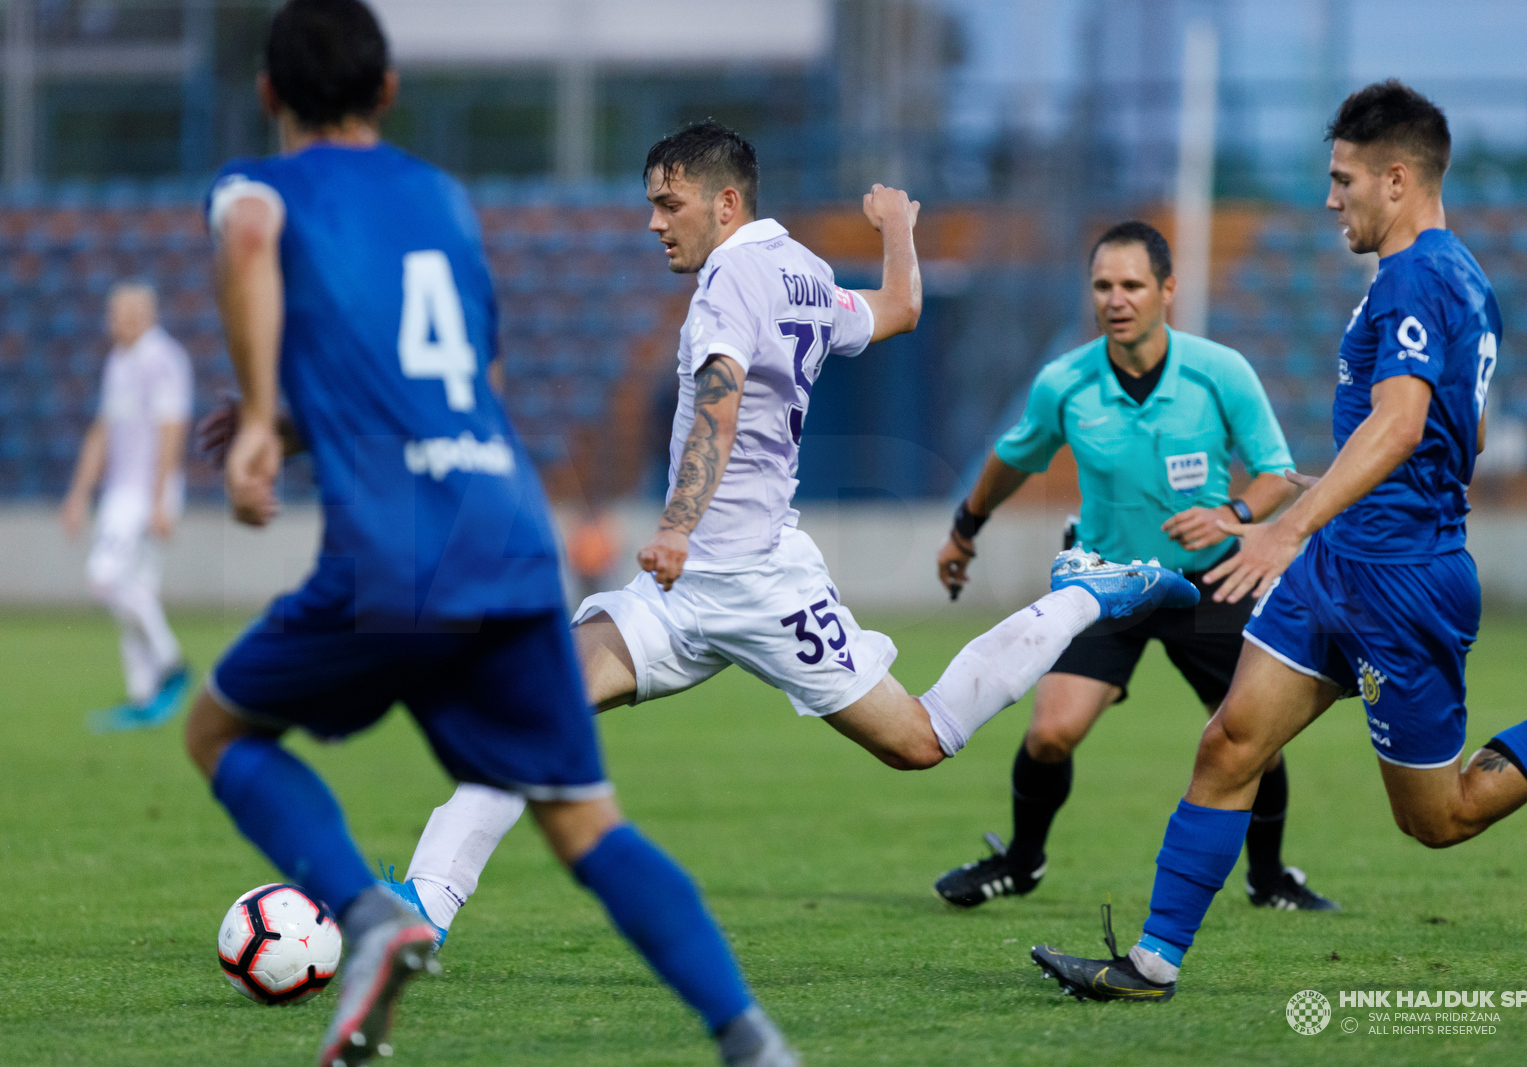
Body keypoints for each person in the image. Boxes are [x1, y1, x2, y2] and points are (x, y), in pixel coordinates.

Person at [374, 120, 1200, 947]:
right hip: (686, 591)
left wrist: (674, 525)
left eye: (669, 203)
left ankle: (1082, 595)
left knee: (920, 739)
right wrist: (900, 231)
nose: (655, 223)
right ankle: (426, 905)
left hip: (757, 585)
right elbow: (901, 307)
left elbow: (720, 400)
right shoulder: (801, 271)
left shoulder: (732, 278)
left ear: (725, 202)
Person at [182, 4, 801, 1065]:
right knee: (584, 821)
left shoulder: (261, 186)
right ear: (386, 91)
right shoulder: (444, 202)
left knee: (221, 732)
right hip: (511, 538)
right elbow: (470, 381)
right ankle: (750, 1038)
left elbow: (246, 236)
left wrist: (253, 423)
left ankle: (372, 916)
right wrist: (287, 429)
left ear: (267, 94)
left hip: (394, 547)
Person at [1029, 80, 1527, 1005]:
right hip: (1346, 564)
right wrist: (1315, 493)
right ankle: (1150, 964)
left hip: (1403, 584)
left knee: (1440, 817)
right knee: (1230, 742)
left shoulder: (1416, 276)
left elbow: (1406, 421)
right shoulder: (1462, 278)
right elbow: (1469, 435)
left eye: (1343, 180)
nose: (1330, 198)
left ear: (1398, 179)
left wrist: (1287, 525)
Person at [930, 221, 1337, 913]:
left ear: (1167, 290)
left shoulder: (1220, 370)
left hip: (1211, 580)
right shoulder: (1065, 382)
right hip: (1104, 583)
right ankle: (1022, 860)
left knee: (1254, 736)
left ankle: (1269, 878)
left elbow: (1276, 474)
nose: (1116, 299)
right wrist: (965, 527)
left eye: (1132, 285)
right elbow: (1012, 457)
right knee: (1051, 731)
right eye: (1103, 286)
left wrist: (1233, 516)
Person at [61, 281, 193, 732]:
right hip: (120, 490)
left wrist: (159, 501)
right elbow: (102, 431)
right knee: (136, 593)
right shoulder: (117, 361)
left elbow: (172, 430)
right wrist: (79, 493)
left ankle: (172, 662)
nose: (122, 321)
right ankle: (144, 696)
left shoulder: (163, 361)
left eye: (131, 313)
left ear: (149, 315)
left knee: (104, 579)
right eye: (117, 314)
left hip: (144, 493)